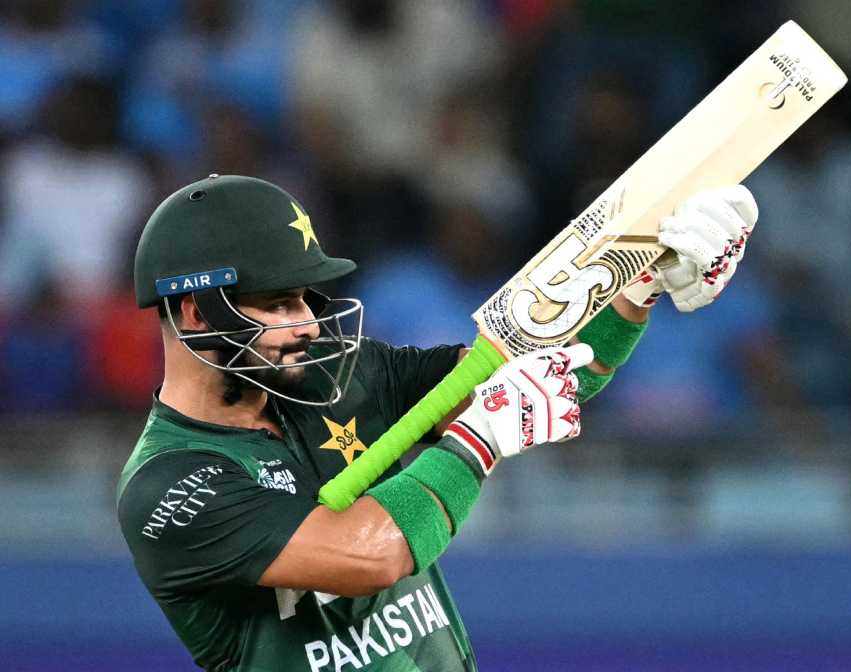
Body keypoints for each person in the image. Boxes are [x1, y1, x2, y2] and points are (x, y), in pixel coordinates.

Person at [115, 174, 757, 671]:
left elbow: (548, 378)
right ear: (197, 312)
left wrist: (635, 289)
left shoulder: (335, 377)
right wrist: (479, 440)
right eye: (281, 303)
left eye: (306, 300)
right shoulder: (169, 488)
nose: (310, 324)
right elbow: (373, 553)